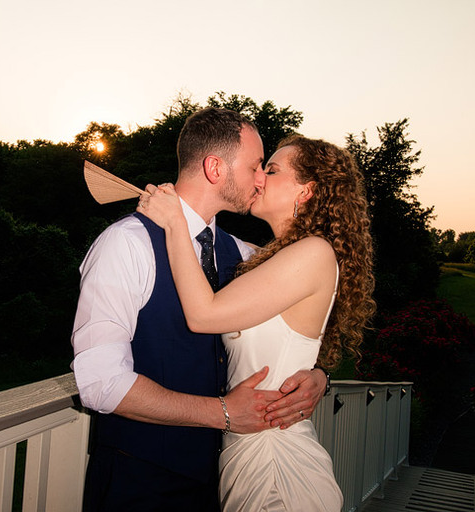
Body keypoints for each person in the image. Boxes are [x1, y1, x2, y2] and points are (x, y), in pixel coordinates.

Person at [71, 107, 329, 512]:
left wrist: (319, 375)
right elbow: (100, 382)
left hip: (221, 484)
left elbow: (304, 321)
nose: (261, 179)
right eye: (256, 166)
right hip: (139, 484)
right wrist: (223, 413)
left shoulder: (244, 254)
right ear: (215, 168)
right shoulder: (126, 244)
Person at [137, 134, 376, 511]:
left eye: (273, 170)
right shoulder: (270, 258)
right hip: (251, 450)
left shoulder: (313, 252)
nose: (259, 177)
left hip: (276, 464)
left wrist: (174, 221)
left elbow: (204, 315)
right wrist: (320, 374)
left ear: (306, 191)